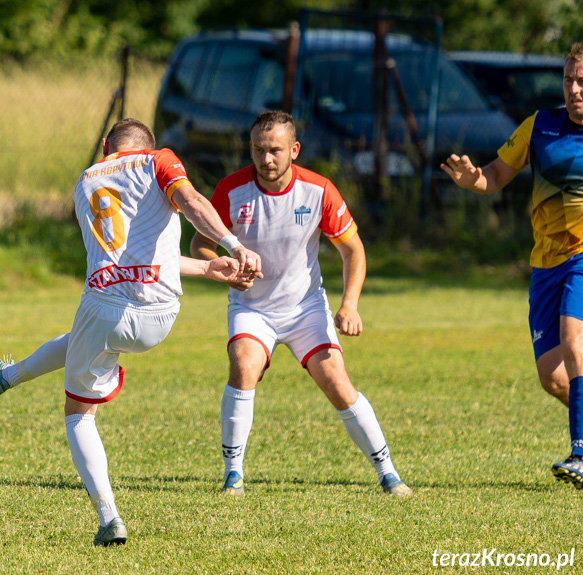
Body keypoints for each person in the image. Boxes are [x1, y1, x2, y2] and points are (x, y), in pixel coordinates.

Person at [0, 118, 262, 546]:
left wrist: (221, 255)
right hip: (159, 317)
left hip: (103, 307)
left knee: (78, 414)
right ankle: (6, 376)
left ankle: (109, 517)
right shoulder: (159, 161)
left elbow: (125, 249)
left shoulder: (85, 180)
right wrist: (225, 251)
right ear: (149, 145)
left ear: (108, 145)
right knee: (79, 346)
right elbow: (187, 203)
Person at [190, 110, 412, 497]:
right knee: (243, 367)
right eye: (258, 149)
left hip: (304, 307)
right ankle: (233, 475)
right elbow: (200, 244)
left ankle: (388, 473)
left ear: (294, 149)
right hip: (252, 308)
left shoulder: (318, 190)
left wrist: (350, 305)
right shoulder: (230, 190)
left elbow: (353, 251)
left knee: (338, 384)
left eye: (275, 150)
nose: (266, 158)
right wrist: (220, 266)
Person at [440, 43, 583, 489]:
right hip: (546, 264)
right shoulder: (540, 126)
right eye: (569, 80)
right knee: (553, 378)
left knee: (574, 339)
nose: (575, 89)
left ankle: (581, 453)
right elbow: (496, 175)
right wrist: (473, 179)